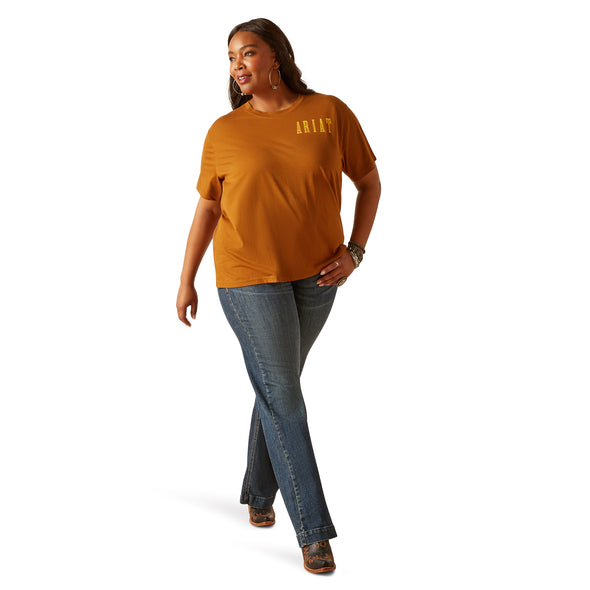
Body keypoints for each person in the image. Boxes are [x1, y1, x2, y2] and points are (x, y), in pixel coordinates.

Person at [176, 17, 381, 574]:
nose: (237, 65)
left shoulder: (329, 113)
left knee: (277, 386)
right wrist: (186, 277)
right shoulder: (224, 131)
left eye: (247, 53)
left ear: (276, 57)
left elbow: (368, 182)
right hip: (247, 277)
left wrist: (355, 251)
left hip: (318, 278)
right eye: (231, 57)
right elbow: (209, 208)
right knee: (284, 395)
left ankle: (258, 491)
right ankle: (313, 531)